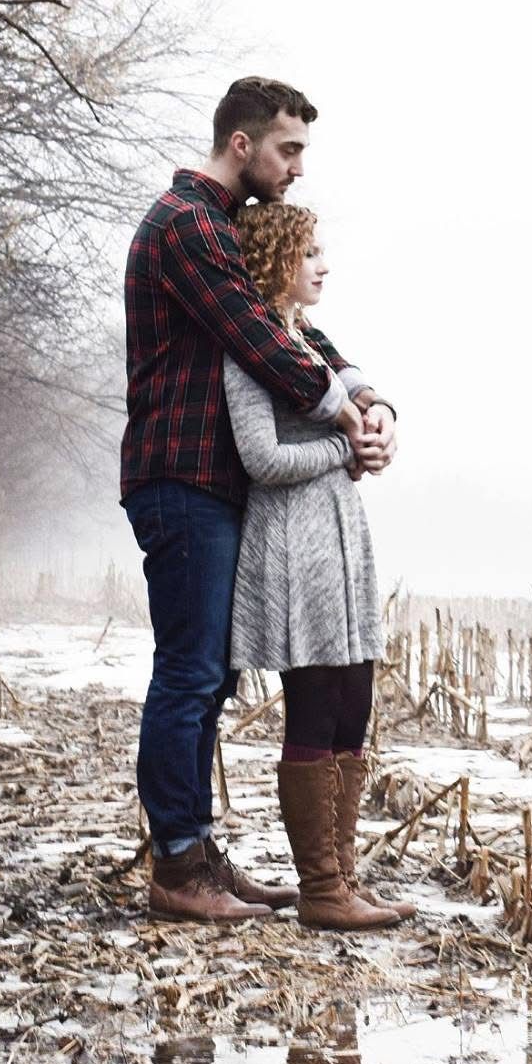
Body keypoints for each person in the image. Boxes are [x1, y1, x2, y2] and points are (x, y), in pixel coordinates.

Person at [121, 75, 398, 924]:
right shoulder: (188, 227)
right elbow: (259, 341)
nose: (298, 168)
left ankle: (198, 852)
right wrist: (347, 425)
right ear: (241, 145)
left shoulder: (225, 229)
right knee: (191, 673)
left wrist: (374, 400)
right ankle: (176, 866)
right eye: (288, 149)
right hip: (183, 479)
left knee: (212, 679)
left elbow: (299, 333)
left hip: (217, 484)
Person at [228, 203, 415, 929]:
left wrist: (370, 431)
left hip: (338, 537)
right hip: (290, 543)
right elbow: (261, 458)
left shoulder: (305, 340)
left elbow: (353, 396)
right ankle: (319, 891)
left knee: (353, 700)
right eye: (308, 253)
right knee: (313, 702)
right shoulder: (249, 350)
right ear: (276, 260)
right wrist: (346, 448)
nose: (323, 265)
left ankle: (342, 877)